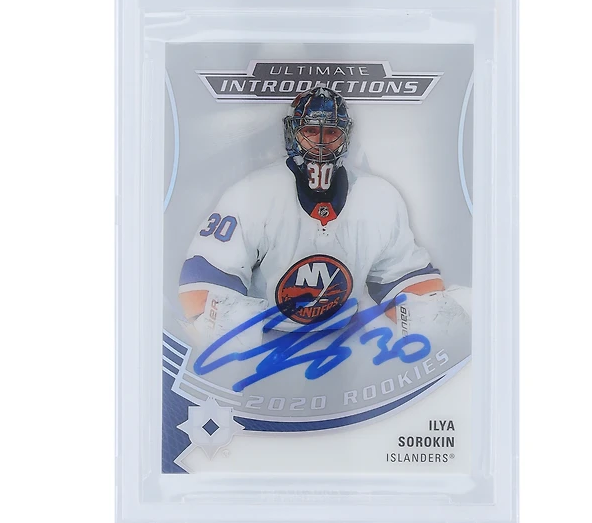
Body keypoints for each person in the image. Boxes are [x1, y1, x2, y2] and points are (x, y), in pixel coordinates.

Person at [179, 86, 468, 347]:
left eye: (331, 132)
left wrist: (434, 322)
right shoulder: (252, 194)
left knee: (446, 322)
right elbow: (203, 285)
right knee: (222, 329)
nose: (320, 142)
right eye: (310, 131)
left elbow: (406, 281)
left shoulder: (379, 197)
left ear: (345, 136)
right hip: (267, 346)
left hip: (344, 342)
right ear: (293, 134)